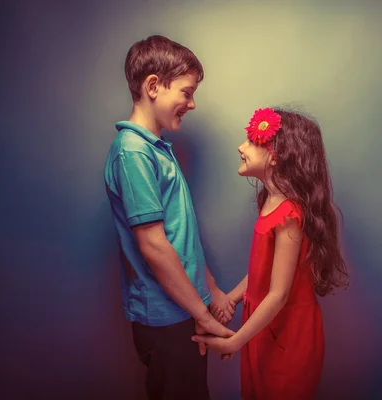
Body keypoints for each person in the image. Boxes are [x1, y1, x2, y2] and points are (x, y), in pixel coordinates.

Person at [103, 35, 235, 400]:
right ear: (153, 86)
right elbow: (155, 246)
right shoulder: (133, 153)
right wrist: (204, 316)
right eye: (187, 92)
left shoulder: (156, 148)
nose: (192, 104)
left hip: (184, 310)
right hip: (167, 318)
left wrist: (211, 291)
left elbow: (183, 237)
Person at [193, 107, 349, 399]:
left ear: (276, 155)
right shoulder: (269, 201)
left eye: (252, 142)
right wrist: (231, 298)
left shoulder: (289, 214)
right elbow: (264, 269)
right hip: (264, 326)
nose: (241, 147)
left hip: (287, 332)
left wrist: (234, 342)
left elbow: (277, 295)